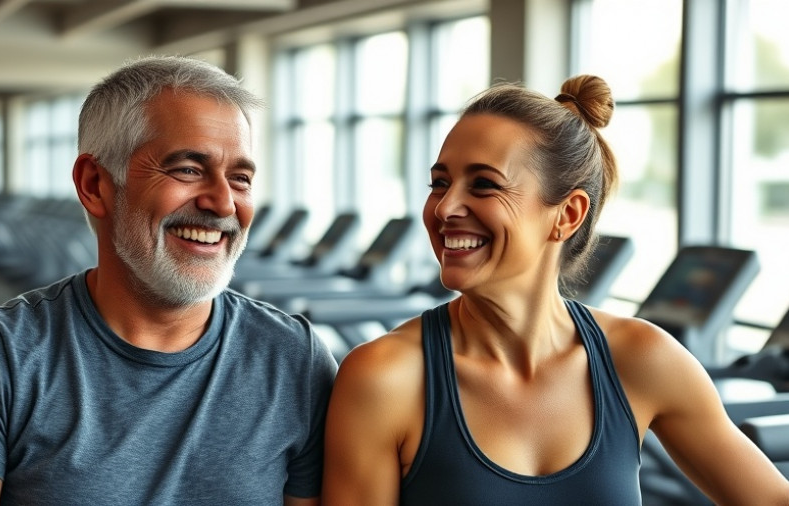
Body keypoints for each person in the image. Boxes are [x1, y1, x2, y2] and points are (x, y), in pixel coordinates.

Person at [321, 75, 789, 505]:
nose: (445, 207)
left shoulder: (642, 359)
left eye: (484, 185)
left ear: (567, 215)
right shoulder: (384, 378)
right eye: (439, 182)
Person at [0, 55, 337, 506]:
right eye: (187, 169)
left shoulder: (294, 359)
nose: (224, 203)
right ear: (95, 184)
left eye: (240, 178)